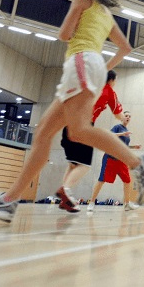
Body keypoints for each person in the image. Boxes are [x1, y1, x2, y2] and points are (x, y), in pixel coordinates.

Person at [0, 0, 144, 223]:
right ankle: (8, 201)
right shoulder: (106, 13)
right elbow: (126, 48)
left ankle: (139, 164)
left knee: (77, 131)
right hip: (92, 65)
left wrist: (85, 46)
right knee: (44, 133)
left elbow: (64, 34)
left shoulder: (82, 0)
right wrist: (103, 68)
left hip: (81, 60)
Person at [57, 70, 125, 213]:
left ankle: (65, 198)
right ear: (111, 80)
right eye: (115, 80)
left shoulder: (90, 86)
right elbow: (119, 114)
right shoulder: (109, 91)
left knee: (73, 164)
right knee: (85, 165)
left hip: (68, 124)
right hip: (84, 126)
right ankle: (66, 189)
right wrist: (125, 118)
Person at [86, 111, 142, 212]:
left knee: (127, 181)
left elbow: (123, 147)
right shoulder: (118, 127)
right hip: (110, 158)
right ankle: (91, 202)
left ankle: (127, 204)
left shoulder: (127, 132)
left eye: (130, 116)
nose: (128, 117)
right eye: (126, 116)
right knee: (101, 180)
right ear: (122, 118)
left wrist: (134, 146)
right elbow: (109, 135)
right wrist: (122, 133)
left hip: (121, 160)